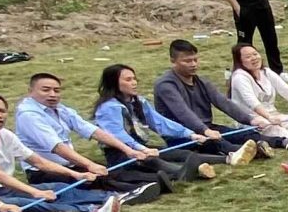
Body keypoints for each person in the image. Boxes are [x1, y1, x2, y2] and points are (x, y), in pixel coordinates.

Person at [0, 91, 121, 212]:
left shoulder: (5, 135)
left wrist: (76, 173)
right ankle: (91, 211)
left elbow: (38, 162)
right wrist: (34, 192)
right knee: (31, 203)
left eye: (2, 111)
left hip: (3, 191)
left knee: (57, 188)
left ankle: (111, 199)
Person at [14, 72, 174, 200]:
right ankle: (135, 192)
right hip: (43, 172)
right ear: (30, 92)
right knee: (98, 179)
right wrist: (89, 165)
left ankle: (154, 182)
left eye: (56, 90)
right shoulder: (29, 115)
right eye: (46, 90)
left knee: (110, 171)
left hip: (69, 164)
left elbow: (91, 130)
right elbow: (57, 147)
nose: (53, 94)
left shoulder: (60, 109)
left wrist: (128, 150)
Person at [92, 64, 228, 183]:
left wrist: (190, 134)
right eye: (128, 80)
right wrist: (141, 149)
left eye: (134, 79)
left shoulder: (138, 102)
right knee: (153, 162)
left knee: (184, 154)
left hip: (142, 148)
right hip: (121, 154)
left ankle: (227, 159)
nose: (134, 83)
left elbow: (159, 122)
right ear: (114, 83)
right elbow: (117, 135)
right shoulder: (108, 108)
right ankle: (186, 172)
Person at [154, 39, 279, 153]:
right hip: (183, 135)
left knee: (244, 134)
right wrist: (204, 130)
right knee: (218, 143)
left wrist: (250, 119)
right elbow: (183, 113)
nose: (193, 64)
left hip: (207, 128)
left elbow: (223, 102)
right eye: (187, 61)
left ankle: (282, 142)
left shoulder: (201, 81)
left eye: (195, 60)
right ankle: (254, 152)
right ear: (173, 61)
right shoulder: (166, 85)